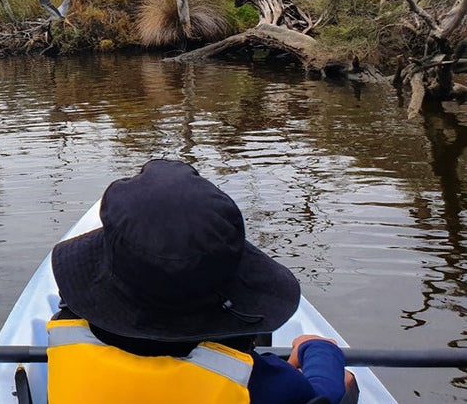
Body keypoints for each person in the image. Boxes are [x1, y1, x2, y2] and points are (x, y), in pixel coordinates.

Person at [47, 159, 356, 404]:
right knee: (346, 384)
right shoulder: (262, 384)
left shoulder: (63, 335)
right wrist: (317, 349)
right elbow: (324, 393)